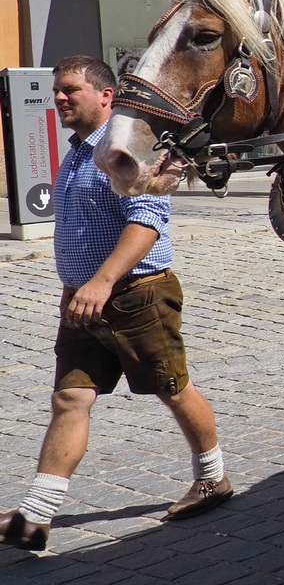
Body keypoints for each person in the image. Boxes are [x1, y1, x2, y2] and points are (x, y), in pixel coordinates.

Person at [2, 57, 232, 551]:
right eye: (56, 91)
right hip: (84, 300)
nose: (60, 98)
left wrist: (101, 282)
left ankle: (214, 478)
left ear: (105, 95)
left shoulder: (128, 147)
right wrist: (75, 285)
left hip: (136, 295)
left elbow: (147, 223)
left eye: (71, 90)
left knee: (173, 388)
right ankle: (36, 516)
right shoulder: (79, 152)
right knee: (70, 398)